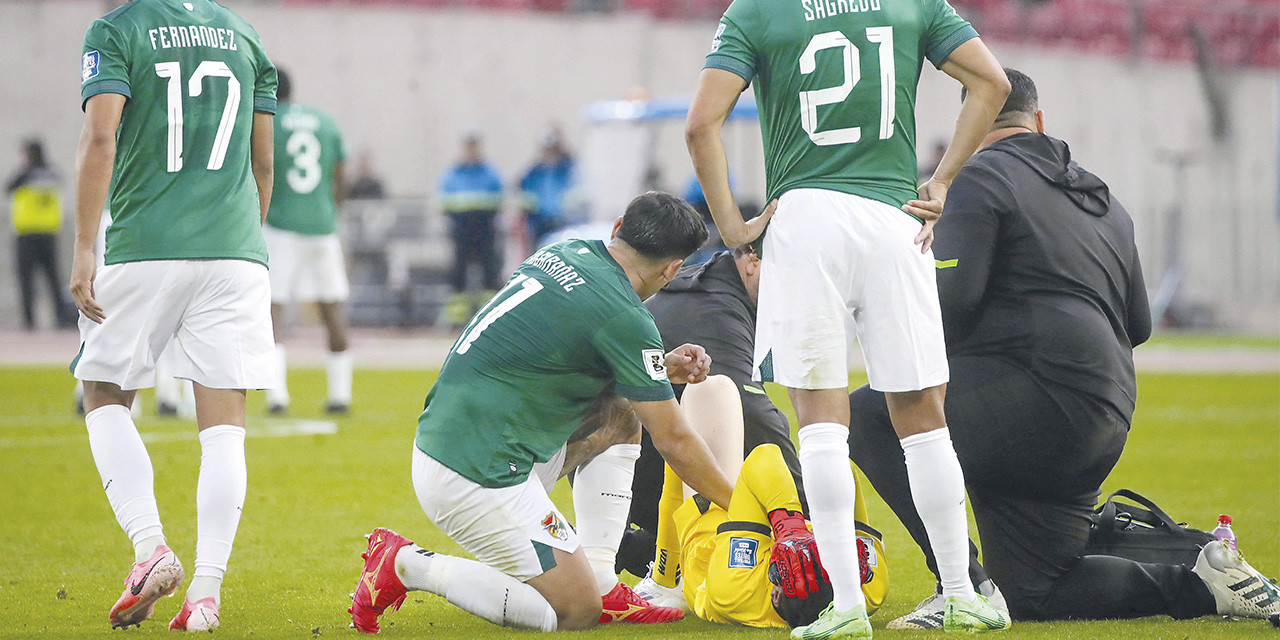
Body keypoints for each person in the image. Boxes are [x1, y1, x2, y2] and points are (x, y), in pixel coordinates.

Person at [849, 67, 1280, 628]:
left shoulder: (977, 178)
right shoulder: (1104, 199)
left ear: (969, 121)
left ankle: (962, 588)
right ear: (1040, 120)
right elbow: (1140, 324)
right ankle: (1204, 570)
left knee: (869, 413)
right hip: (1105, 412)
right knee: (1038, 591)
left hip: (1033, 401)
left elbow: (949, 310)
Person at [685, 0, 1013, 636]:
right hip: (897, 220)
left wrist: (731, 227)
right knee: (923, 420)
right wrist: (942, 181)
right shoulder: (914, 2)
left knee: (821, 424)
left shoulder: (756, 10)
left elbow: (702, 124)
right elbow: (992, 84)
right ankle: (962, 593)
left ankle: (847, 607)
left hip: (805, 222)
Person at [348, 192, 736, 634]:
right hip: (479, 475)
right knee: (576, 611)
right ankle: (404, 564)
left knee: (624, 413)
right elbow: (675, 440)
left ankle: (604, 580)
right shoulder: (625, 316)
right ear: (672, 269)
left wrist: (657, 368)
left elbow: (561, 353)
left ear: (615, 229)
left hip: (454, 442)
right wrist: (743, 507)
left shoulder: (565, 253)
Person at [72, 0, 277, 630]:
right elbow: (261, 163)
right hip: (238, 250)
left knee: (103, 391)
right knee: (225, 428)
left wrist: (83, 246)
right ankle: (206, 595)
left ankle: (149, 546)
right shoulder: (244, 33)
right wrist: (240, 240)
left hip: (145, 243)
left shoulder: (117, 29)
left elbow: (101, 136)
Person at [637, 375, 889, 630]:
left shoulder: (736, 591)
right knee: (825, 469)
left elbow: (764, 456)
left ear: (775, 595)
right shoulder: (867, 590)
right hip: (765, 536)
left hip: (715, 550)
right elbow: (842, 470)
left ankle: (667, 579)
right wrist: (839, 533)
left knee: (708, 392)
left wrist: (789, 528)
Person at [621, 242, 804, 573]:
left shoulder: (705, 285)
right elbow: (756, 417)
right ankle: (659, 558)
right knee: (725, 402)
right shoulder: (714, 307)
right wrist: (802, 522)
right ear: (752, 262)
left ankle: (637, 551)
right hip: (644, 475)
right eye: (795, 272)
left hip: (619, 477)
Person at [262, 68, 352, 416]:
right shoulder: (324, 120)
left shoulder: (269, 121)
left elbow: (261, 167)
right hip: (322, 226)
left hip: (282, 224)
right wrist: (330, 210)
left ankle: (277, 396)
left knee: (274, 311)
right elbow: (340, 175)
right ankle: (340, 395)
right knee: (332, 309)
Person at [437, 132, 504, 326]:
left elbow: (498, 197)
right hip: (461, 228)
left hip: (485, 228)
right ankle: (456, 319)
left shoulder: (490, 172)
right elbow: (444, 199)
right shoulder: (453, 173)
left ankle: (492, 316)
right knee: (458, 274)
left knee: (490, 274)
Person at [6, 139, 74, 330]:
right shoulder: (52, 173)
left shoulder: (24, 175)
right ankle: (60, 318)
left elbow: (8, 187)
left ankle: (29, 321)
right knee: (53, 278)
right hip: (49, 233)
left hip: (26, 233)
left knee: (26, 279)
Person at [519, 127, 578, 249]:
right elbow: (522, 189)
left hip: (562, 221)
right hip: (539, 221)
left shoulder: (567, 169)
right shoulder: (534, 172)